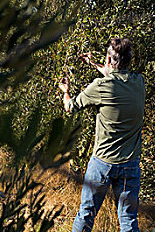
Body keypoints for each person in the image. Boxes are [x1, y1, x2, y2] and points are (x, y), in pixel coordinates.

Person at [59, 38, 145, 232]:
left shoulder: (100, 86)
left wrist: (66, 92)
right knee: (128, 220)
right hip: (130, 164)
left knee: (86, 214)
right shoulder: (139, 83)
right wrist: (93, 64)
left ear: (108, 60)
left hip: (103, 164)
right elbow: (115, 77)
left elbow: (70, 107)